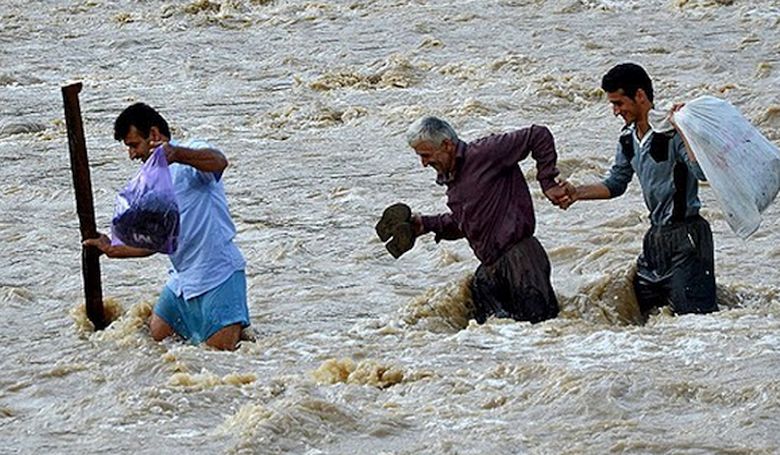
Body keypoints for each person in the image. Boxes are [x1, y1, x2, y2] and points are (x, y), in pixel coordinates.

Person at [84, 103, 249, 350]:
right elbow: (156, 242)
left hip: (217, 276)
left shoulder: (190, 154)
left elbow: (219, 161)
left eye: (133, 145)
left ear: (154, 135)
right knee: (154, 341)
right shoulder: (152, 182)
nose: (132, 155)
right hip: (181, 282)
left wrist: (176, 154)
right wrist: (112, 248)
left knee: (219, 360)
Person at [559, 63, 718, 318]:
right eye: (613, 104)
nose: (615, 111)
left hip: (688, 238)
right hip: (655, 239)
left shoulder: (672, 134)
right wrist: (576, 193)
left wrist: (684, 130)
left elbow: (702, 174)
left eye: (619, 103)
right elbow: (615, 184)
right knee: (642, 319)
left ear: (640, 96)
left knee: (694, 322)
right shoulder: (627, 138)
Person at [402, 116, 568, 324]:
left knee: (542, 330)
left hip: (521, 260)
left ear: (446, 145)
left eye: (425, 155)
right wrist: (425, 224)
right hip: (490, 269)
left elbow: (537, 135)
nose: (424, 163)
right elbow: (468, 223)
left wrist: (548, 182)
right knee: (497, 337)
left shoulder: (485, 152)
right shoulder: (454, 179)